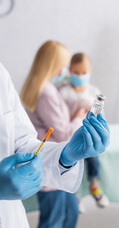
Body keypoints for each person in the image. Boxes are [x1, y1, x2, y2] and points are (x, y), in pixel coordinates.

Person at [0, 61, 110, 228]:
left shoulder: (1, 74)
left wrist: (65, 156)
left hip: (10, 218)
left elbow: (19, 142)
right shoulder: (48, 92)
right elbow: (61, 129)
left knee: (68, 215)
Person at [20, 41, 88, 228]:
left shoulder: (38, 87)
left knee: (68, 214)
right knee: (56, 220)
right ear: (52, 64)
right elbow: (64, 133)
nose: (64, 70)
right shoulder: (47, 93)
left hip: (50, 165)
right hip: (52, 167)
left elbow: (55, 126)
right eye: (63, 64)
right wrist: (81, 116)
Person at [59, 53, 109, 208]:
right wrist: (77, 110)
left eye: (84, 73)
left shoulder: (94, 91)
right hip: (69, 135)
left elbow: (102, 116)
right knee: (73, 159)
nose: (80, 76)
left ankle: (94, 184)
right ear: (70, 71)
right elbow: (60, 121)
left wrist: (93, 112)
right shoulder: (63, 92)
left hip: (89, 132)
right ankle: (75, 193)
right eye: (76, 72)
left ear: (90, 72)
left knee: (93, 155)